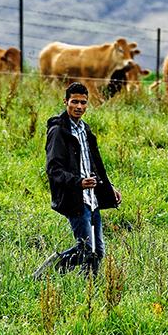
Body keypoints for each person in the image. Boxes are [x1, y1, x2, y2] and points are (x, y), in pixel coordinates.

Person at [37, 82, 121, 277]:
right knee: (85, 249)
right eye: (74, 102)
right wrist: (78, 183)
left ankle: (89, 288)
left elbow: (93, 165)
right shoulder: (59, 130)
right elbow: (53, 169)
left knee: (97, 252)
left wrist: (109, 188)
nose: (79, 107)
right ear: (66, 101)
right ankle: (45, 273)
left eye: (83, 103)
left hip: (93, 199)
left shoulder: (85, 130)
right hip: (75, 199)